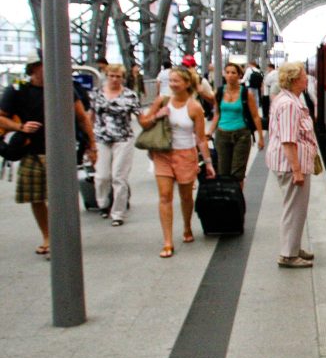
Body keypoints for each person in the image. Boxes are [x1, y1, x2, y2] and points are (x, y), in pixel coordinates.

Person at [0, 54, 97, 255]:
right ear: (34, 68)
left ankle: (63, 236)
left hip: (62, 151)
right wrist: (20, 126)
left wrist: (92, 145)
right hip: (31, 151)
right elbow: (1, 118)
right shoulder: (17, 91)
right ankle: (48, 235)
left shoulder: (63, 89)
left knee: (62, 197)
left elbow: (82, 118)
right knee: (36, 197)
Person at [139, 66, 213, 258]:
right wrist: (157, 115)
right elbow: (144, 122)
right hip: (163, 153)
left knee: (186, 196)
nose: (172, 84)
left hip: (186, 154)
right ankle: (168, 241)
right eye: (170, 80)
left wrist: (208, 162)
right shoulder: (162, 101)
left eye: (176, 81)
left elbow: (201, 138)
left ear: (187, 83)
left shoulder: (194, 107)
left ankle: (187, 226)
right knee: (165, 196)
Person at [267, 62, 318, 268]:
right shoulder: (289, 104)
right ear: (295, 79)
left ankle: (293, 247)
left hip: (290, 163)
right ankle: (288, 255)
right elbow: (289, 140)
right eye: (304, 75)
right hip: (290, 165)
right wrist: (297, 170)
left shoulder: (289, 99)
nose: (307, 79)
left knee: (296, 208)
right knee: (294, 209)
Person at [92, 63, 142, 226]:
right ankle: (103, 203)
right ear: (107, 76)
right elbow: (90, 116)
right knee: (101, 176)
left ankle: (118, 213)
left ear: (123, 78)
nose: (114, 79)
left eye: (118, 76)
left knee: (119, 176)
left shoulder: (130, 96)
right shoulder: (96, 94)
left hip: (123, 138)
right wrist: (88, 140)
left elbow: (141, 118)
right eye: (112, 76)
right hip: (101, 138)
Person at [212, 62, 264, 185]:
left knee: (237, 174)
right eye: (227, 72)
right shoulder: (219, 92)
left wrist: (260, 137)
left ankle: (237, 200)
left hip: (241, 135)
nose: (230, 75)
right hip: (222, 134)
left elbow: (255, 116)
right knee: (223, 172)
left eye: (233, 73)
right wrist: (209, 132)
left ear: (239, 75)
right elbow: (217, 114)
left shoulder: (246, 93)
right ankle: (226, 199)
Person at [262, 63, 279, 128]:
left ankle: (273, 118)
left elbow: (266, 82)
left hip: (273, 90)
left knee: (273, 104)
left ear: (270, 67)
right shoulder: (278, 72)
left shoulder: (270, 74)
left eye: (268, 68)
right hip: (280, 90)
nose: (267, 69)